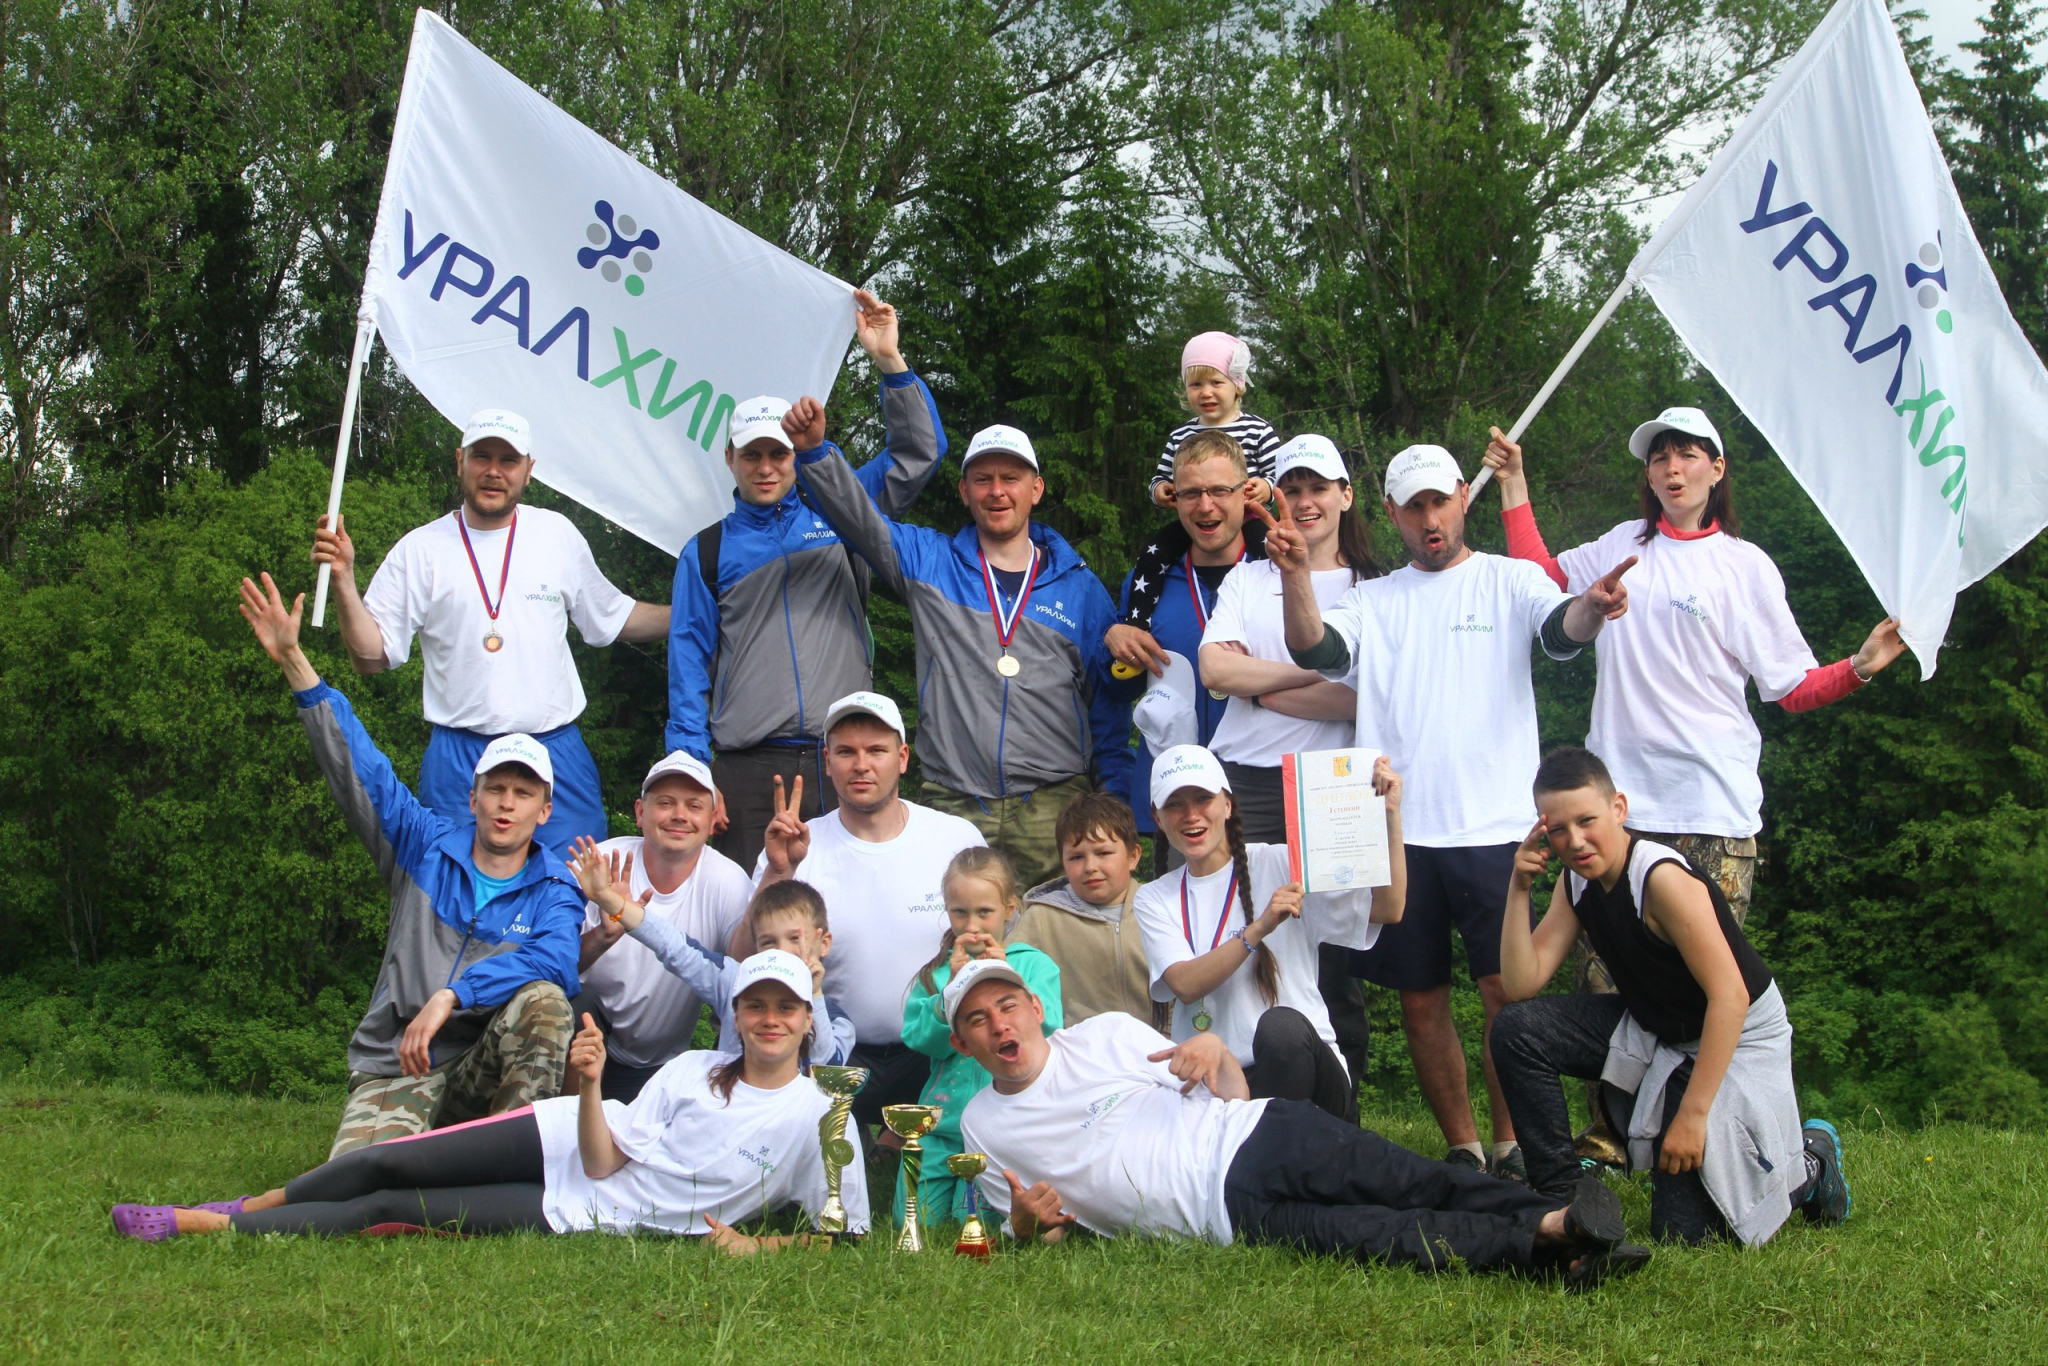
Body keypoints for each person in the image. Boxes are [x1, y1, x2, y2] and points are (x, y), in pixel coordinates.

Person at [1271, 444, 1633, 1177]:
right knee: (1420, 999)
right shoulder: (1372, 599)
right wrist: (1295, 576)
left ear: (1465, 497)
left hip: (1498, 830)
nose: (1430, 519)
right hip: (1398, 832)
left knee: (1507, 995)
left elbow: (1560, 631)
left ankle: (1511, 1145)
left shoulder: (1511, 578)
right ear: (1391, 513)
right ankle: (1464, 1148)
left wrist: (1592, 609)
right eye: (1414, 507)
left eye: (1440, 501)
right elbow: (1317, 650)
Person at [946, 959, 1650, 1288]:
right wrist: (1028, 1227)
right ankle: (1559, 1239)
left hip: (1257, 1134)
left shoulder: (1103, 1035)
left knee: (1415, 1181)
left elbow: (1228, 1093)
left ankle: (1558, 1224)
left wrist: (1216, 1054)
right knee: (1381, 1236)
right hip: (1223, 1217)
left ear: (1036, 1008)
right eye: (978, 1019)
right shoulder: (985, 1127)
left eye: (1007, 1006)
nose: (999, 1025)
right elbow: (1049, 1233)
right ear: (962, 1043)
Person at [112, 951, 872, 1247]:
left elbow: (844, 1238)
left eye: (786, 1008)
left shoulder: (822, 1113)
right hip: (568, 1137)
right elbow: (603, 1154)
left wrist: (756, 1245)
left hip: (589, 1211)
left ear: (809, 1021)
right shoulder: (694, 1068)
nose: (769, 1020)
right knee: (390, 1160)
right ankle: (251, 1204)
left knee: (393, 1209)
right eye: (755, 1005)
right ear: (736, 1013)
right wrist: (590, 1084)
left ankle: (207, 1226)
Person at [235, 572, 581, 1158]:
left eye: (523, 794)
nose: (507, 804)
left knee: (546, 1003)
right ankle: (409, 1153)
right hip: (401, 1061)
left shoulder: (555, 888)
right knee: (359, 1183)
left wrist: (453, 996)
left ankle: (508, 1165)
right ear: (473, 798)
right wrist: (294, 660)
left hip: (480, 1068)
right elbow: (362, 769)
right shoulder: (423, 845)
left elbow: (557, 962)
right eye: (496, 789)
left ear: (544, 811)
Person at [1488, 747, 1851, 1246]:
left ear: (1618, 807)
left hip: (1735, 1037)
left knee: (1683, 1235)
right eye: (1558, 830)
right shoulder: (1576, 882)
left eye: (1587, 821)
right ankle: (1563, 1198)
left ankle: (1809, 1165)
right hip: (1657, 1026)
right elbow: (1519, 985)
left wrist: (1692, 1117)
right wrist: (1518, 887)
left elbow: (1731, 997)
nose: (1575, 841)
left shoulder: (1661, 880)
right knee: (1517, 1030)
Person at [666, 290, 947, 869]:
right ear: (729, 459)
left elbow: (919, 453)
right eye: (752, 456)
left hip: (841, 757)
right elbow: (688, 665)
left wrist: (889, 361)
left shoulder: (843, 510)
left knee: (848, 911)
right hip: (747, 768)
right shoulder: (707, 551)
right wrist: (693, 770)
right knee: (753, 911)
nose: (766, 467)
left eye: (779, 453)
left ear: (797, 454)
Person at [793, 414, 1131, 889]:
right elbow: (858, 519)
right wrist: (814, 453)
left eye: (1011, 478)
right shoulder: (930, 561)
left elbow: (1108, 709)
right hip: (953, 803)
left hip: (1052, 806)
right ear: (964, 490)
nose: (997, 491)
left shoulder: (1080, 589)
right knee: (949, 928)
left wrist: (1114, 802)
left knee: (1050, 929)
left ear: (1035, 489)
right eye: (983, 479)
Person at [313, 409, 669, 857]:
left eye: (509, 460)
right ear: (460, 461)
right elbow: (370, 656)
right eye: (482, 456)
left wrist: (695, 614)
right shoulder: (420, 550)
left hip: (555, 752)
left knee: (576, 886)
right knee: (452, 887)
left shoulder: (556, 535)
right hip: (461, 759)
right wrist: (344, 580)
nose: (494, 471)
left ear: (529, 470)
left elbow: (615, 618)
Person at [1198, 434, 1378, 1084]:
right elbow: (1217, 671)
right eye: (1292, 489)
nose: (1304, 502)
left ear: (1345, 495)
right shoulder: (1249, 577)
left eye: (1318, 488)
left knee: (1332, 946)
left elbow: (1361, 699)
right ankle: (1245, 1088)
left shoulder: (1374, 589)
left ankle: (1339, 1096)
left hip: (1332, 787)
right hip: (1242, 782)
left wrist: (1264, 687)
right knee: (1239, 929)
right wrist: (1316, 673)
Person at [754, 690, 986, 1132]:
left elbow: (998, 947)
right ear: (827, 762)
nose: (861, 765)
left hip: (939, 1047)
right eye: (846, 752)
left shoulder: (955, 839)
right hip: (832, 1050)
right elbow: (742, 959)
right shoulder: (797, 845)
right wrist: (780, 872)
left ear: (902, 758)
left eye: (876, 750)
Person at [1134, 745, 1404, 1120]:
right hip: (1218, 1081)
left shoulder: (1281, 861)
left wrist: (1389, 817)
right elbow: (1185, 984)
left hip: (1307, 1070)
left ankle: (1280, 1145)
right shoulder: (1153, 897)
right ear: (1158, 819)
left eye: (1203, 799)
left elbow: (1389, 909)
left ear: (1228, 805)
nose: (1191, 815)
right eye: (1174, 805)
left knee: (1281, 1027)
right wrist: (1259, 929)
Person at [1103, 428, 1256, 873]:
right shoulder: (1147, 582)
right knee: (1183, 915)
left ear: (1245, 492)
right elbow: (1116, 691)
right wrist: (1113, 645)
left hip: (1261, 791)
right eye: (1191, 493)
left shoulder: (1277, 574)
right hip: (1179, 800)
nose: (1205, 506)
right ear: (1174, 498)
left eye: (1219, 491)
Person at [559, 752, 752, 1102]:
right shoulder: (597, 866)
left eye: (694, 806)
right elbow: (549, 970)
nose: (679, 815)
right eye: (665, 803)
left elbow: (741, 980)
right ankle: (563, 1119)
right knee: (572, 1002)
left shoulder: (728, 882)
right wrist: (604, 935)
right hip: (580, 1046)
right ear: (640, 812)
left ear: (712, 820)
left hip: (663, 1065)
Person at [571, 854, 856, 1073]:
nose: (782, 952)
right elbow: (673, 946)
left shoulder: (838, 1022)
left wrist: (814, 994)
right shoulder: (733, 979)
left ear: (824, 943)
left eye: (795, 939)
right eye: (769, 942)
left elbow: (824, 1072)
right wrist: (608, 900)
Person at [899, 847, 1062, 1227]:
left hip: (1004, 1128)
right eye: (960, 912)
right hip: (942, 1125)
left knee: (969, 1221)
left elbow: (1050, 1026)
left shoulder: (1033, 964)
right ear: (946, 910)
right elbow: (917, 1039)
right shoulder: (936, 974)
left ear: (1010, 908)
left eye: (984, 912)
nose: (972, 925)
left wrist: (1006, 978)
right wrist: (949, 994)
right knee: (913, 1222)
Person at [1118, 331, 1283, 633]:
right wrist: (1160, 491)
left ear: (1238, 384)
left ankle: (1277, 615)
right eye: (1196, 385)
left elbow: (1280, 475)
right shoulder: (1180, 435)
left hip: (1250, 519)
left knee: (1274, 555)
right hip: (1193, 523)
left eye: (1216, 383)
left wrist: (1266, 487)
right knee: (1152, 553)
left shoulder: (1258, 429)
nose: (1206, 393)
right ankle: (1138, 624)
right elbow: (1160, 477)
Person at [1007, 791, 1165, 1030]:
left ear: (1133, 856)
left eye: (1103, 853)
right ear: (1062, 861)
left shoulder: (1161, 909)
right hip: (1074, 1049)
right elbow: (1008, 983)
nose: (1090, 866)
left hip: (1160, 1046)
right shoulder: (1041, 919)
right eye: (1076, 857)